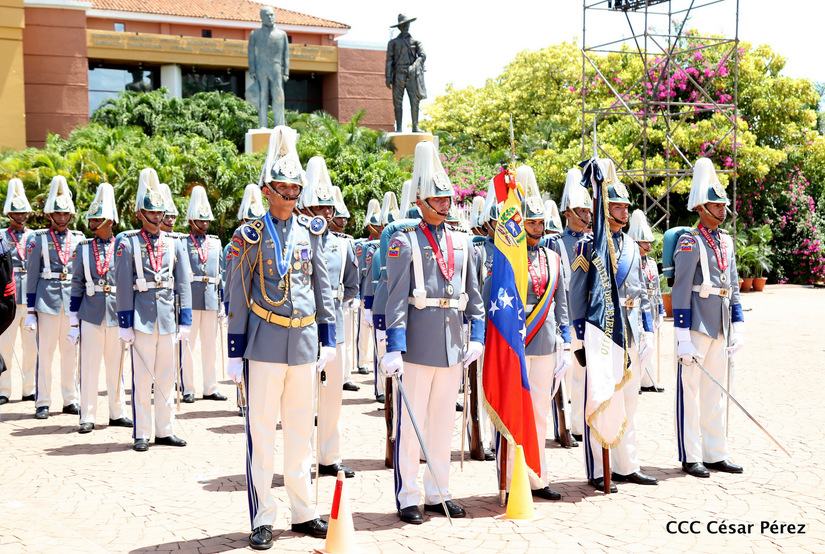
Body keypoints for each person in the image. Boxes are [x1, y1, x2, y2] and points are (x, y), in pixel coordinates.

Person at [225, 126, 336, 548]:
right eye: (283, 189)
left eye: (295, 189)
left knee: (300, 431)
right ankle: (262, 516)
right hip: (265, 342)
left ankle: (303, 511)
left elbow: (323, 288)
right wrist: (234, 350)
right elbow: (238, 294)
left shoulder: (312, 231)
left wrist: (328, 338)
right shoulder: (249, 236)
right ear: (266, 190)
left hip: (303, 343)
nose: (290, 196)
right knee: (262, 433)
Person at [383, 140, 484, 524]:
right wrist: (394, 346)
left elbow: (473, 294)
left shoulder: (461, 241)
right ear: (420, 201)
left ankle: (440, 492)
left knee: (443, 424)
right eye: (437, 199)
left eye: (447, 198)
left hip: (451, 346)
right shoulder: (404, 240)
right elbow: (395, 298)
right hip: (416, 346)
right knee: (411, 426)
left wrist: (477, 336)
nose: (445, 204)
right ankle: (408, 496)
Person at [569, 159, 658, 492]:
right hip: (603, 332)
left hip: (630, 330)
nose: (624, 211)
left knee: (629, 401)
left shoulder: (633, 246)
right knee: (601, 398)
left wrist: (647, 330)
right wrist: (580, 341)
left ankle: (626, 464)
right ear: (605, 208)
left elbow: (642, 292)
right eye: (618, 206)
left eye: (625, 206)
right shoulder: (588, 245)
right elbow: (578, 294)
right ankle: (597, 468)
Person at [499, 165, 570, 500]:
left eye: (541, 223)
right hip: (515, 341)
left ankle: (536, 477)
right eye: (531, 223)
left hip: (545, 341)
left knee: (540, 410)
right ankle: (513, 477)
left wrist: (565, 341)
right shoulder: (508, 256)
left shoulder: (553, 257)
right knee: (515, 410)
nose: (538, 228)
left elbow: (561, 302)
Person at [672, 157, 744, 478]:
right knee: (690, 391)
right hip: (697, 321)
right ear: (701, 208)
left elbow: (733, 286)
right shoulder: (690, 240)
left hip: (721, 322)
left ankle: (715, 453)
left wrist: (738, 325)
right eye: (716, 205)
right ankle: (691, 455)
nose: (722, 210)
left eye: (723, 204)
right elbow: (680, 289)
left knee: (716, 391)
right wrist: (682, 335)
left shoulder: (725, 240)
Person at [115, 168, 192, 452]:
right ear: (140, 213)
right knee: (143, 377)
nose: (157, 217)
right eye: (152, 212)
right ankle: (142, 433)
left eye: (160, 212)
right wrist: (124, 322)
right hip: (141, 318)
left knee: (166, 376)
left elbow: (182, 283)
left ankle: (164, 430)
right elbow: (123, 285)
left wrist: (185, 320)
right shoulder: (129, 243)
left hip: (167, 319)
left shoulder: (173, 243)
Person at [298, 156, 359, 478]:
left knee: (332, 398)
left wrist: (333, 304)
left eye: (328, 208)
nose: (324, 213)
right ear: (304, 209)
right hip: (302, 328)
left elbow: (352, 285)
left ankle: (329, 457)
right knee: (302, 399)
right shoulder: (295, 242)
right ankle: (302, 459)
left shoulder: (343, 245)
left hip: (334, 328)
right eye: (318, 207)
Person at [69, 183, 131, 433]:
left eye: (98, 219)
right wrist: (73, 320)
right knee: (89, 366)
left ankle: (118, 412)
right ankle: (88, 415)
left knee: (117, 366)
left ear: (110, 222)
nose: (93, 223)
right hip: (91, 313)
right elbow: (76, 284)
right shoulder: (83, 247)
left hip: (116, 312)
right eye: (92, 219)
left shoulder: (124, 246)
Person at [26, 176, 85, 420]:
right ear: (50, 214)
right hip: (47, 302)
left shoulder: (79, 238)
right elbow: (31, 275)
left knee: (70, 352)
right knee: (46, 353)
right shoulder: (38, 238)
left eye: (65, 214)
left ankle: (70, 399)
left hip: (71, 302)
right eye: (58, 214)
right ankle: (43, 401)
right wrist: (30, 310)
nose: (62, 218)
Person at [554, 168, 592, 443]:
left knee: (587, 373)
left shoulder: (594, 241)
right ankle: (568, 426)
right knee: (569, 373)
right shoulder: (556, 243)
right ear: (568, 213)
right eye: (581, 211)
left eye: (588, 210)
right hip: (567, 315)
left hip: (591, 315)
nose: (587, 215)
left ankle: (583, 422)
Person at [180, 186, 227, 403]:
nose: (205, 223)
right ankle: (188, 388)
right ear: (192, 221)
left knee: (210, 347)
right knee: (187, 347)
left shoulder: (215, 242)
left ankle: (210, 387)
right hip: (190, 299)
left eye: (207, 220)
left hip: (210, 300)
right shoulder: (182, 242)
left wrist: (223, 300)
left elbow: (221, 273)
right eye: (201, 220)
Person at [0, 179, 35, 405]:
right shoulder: (1, 236)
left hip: (30, 299)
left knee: (32, 349)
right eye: (16, 213)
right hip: (8, 299)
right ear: (9, 214)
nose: (20, 217)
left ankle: (29, 389)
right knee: (5, 346)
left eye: (23, 213)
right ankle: (4, 390)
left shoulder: (35, 236)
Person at [628, 209, 665, 393]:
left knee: (650, 346)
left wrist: (661, 309)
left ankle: (647, 380)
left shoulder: (651, 263)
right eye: (644, 242)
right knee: (640, 346)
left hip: (652, 307)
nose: (648, 246)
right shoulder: (632, 263)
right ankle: (636, 380)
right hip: (639, 308)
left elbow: (656, 287)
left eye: (649, 242)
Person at [329, 186, 360, 392]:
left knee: (344, 340)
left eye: (344, 218)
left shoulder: (346, 242)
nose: (342, 221)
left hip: (340, 301)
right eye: (338, 217)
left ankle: (345, 375)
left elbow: (352, 279)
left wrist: (345, 297)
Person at [248, 6, 289, 128]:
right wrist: (252, 70)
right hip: (261, 68)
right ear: (261, 17)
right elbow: (251, 53)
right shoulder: (255, 34)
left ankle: (280, 125)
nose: (270, 17)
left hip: (276, 68)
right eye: (267, 15)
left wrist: (286, 72)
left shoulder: (282, 34)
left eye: (272, 15)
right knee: (262, 97)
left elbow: (286, 55)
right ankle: (263, 125)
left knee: (279, 96)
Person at [385, 14, 426, 132]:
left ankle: (415, 126)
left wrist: (416, 64)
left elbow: (423, 55)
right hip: (398, 74)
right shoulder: (393, 42)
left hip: (412, 75)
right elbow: (389, 60)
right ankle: (399, 128)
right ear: (399, 27)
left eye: (407, 24)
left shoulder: (416, 41)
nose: (405, 27)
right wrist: (388, 77)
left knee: (414, 100)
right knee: (397, 102)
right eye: (403, 25)